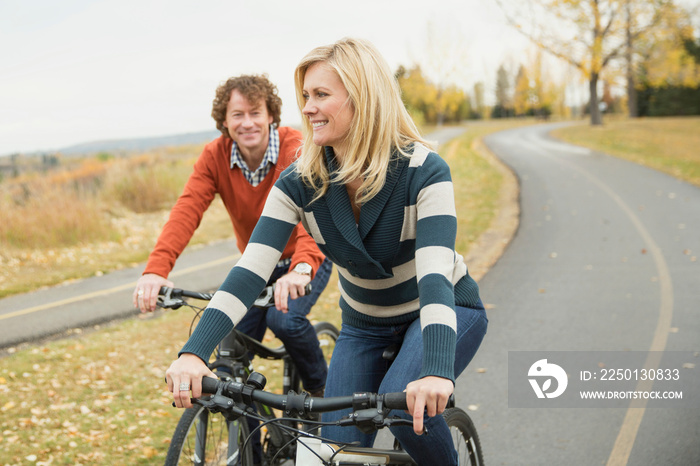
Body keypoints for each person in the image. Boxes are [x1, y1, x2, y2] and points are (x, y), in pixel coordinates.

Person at [165, 38, 488, 466]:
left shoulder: (424, 172)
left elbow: (433, 277)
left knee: (404, 412)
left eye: (321, 95)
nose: (309, 108)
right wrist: (194, 352)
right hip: (364, 325)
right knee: (327, 455)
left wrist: (436, 370)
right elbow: (250, 270)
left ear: (364, 98)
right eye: (305, 97)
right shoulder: (300, 182)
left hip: (441, 310)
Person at [133, 74, 333, 397]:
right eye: (237, 115)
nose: (248, 123)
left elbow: (313, 213)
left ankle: (322, 394)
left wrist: (301, 268)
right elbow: (187, 210)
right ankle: (250, 444)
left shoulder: (295, 149)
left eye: (256, 113)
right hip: (257, 266)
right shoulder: (215, 156)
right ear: (224, 121)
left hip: (304, 259)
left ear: (271, 115)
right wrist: (157, 269)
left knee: (285, 321)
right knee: (228, 357)